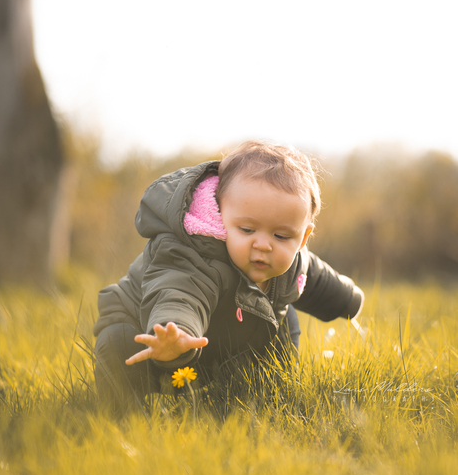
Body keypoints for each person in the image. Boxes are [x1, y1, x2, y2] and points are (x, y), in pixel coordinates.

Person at [93, 140, 364, 415]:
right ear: (221, 215)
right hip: (153, 331)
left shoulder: (293, 260)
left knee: (281, 311)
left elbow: (315, 279)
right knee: (120, 344)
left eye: (281, 236)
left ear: (303, 237)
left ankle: (266, 394)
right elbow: (179, 292)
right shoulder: (195, 253)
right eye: (247, 229)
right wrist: (176, 331)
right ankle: (120, 415)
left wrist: (349, 300)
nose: (264, 245)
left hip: (217, 345)